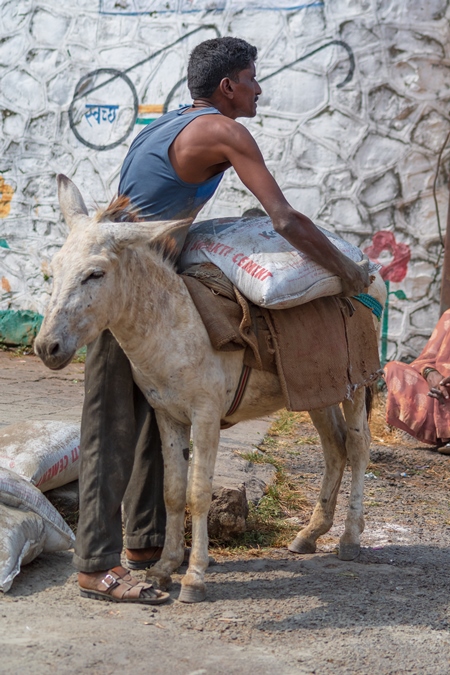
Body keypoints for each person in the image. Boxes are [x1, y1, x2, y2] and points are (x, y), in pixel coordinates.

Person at [76, 36, 370, 603]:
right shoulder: (225, 131)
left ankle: (146, 543)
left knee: (151, 413)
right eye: (252, 78)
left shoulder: (165, 125)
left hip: (147, 281)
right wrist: (345, 270)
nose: (259, 88)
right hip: (131, 287)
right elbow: (283, 219)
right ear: (228, 86)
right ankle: (93, 564)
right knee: (109, 423)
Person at [384, 309, 450, 450]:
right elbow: (425, 359)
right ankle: (442, 433)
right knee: (393, 369)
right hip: (439, 393)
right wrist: (431, 373)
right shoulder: (449, 316)